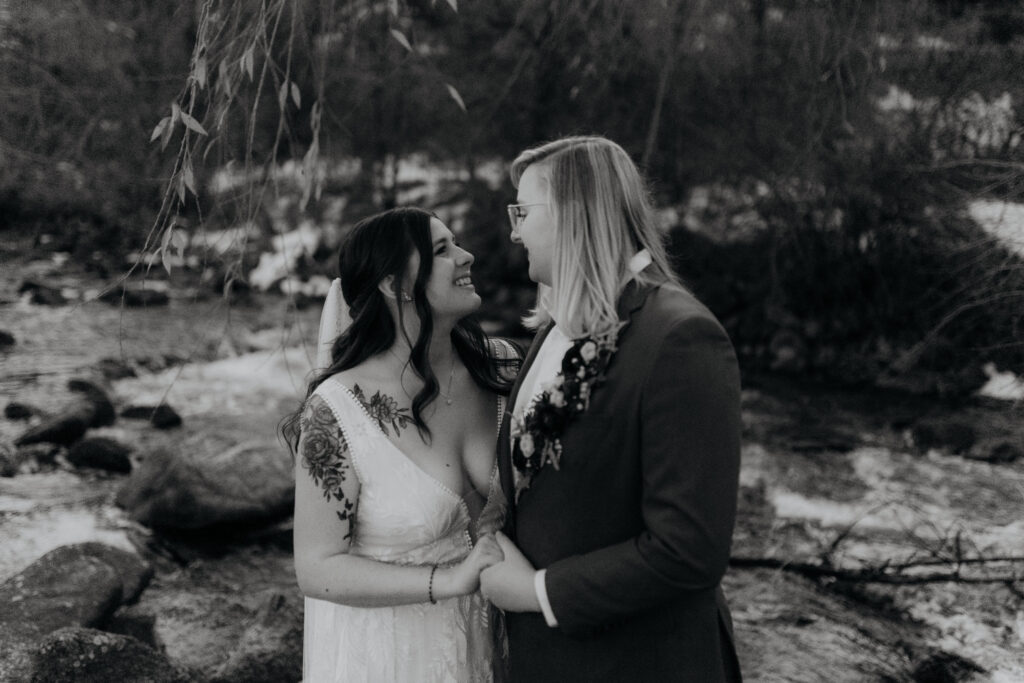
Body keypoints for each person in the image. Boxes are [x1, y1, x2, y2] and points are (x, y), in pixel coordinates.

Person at [479, 136, 744, 682]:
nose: (514, 230)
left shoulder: (680, 337)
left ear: (576, 214)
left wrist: (537, 593)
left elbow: (689, 549)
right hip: (549, 662)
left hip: (639, 662)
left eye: (523, 212)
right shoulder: (555, 328)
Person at [281, 207, 520, 682]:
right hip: (388, 656)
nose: (466, 256)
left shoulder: (503, 368)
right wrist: (449, 580)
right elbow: (316, 567)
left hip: (490, 640)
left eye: (457, 243)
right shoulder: (337, 411)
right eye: (441, 250)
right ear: (395, 285)